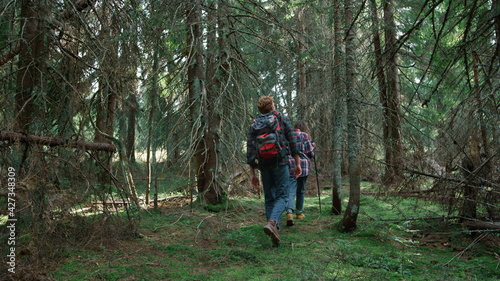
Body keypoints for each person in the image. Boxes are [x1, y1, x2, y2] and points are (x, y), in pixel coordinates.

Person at [247, 96, 301, 245]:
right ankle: (272, 223)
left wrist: (252, 173)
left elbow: (250, 149)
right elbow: (292, 141)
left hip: (264, 164)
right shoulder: (281, 118)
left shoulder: (254, 124)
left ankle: (273, 230)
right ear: (271, 106)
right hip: (281, 162)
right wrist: (297, 164)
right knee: (283, 196)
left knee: (269, 197)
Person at [286, 120, 315, 226]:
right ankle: (299, 213)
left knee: (291, 190)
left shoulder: (288, 135)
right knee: (301, 191)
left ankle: (289, 212)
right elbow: (310, 153)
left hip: (290, 165)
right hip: (303, 166)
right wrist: (313, 147)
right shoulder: (304, 135)